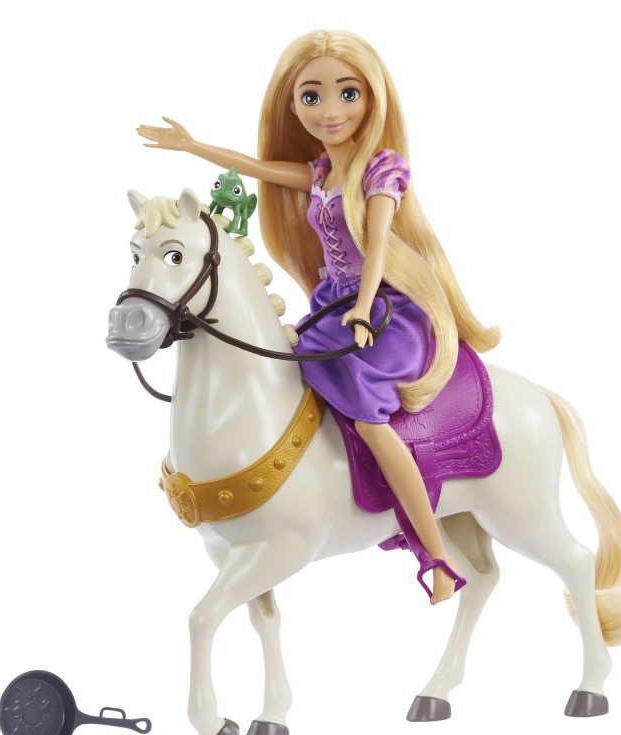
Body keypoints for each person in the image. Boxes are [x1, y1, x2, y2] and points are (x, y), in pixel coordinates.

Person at [137, 30, 500, 603]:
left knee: (367, 414)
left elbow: (376, 249)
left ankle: (435, 554)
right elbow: (255, 166)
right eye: (312, 97)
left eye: (347, 93)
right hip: (334, 306)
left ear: (372, 98)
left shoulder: (381, 172)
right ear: (293, 105)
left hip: (386, 310)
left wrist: (363, 308)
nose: (330, 110)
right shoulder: (320, 172)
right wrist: (191, 145)